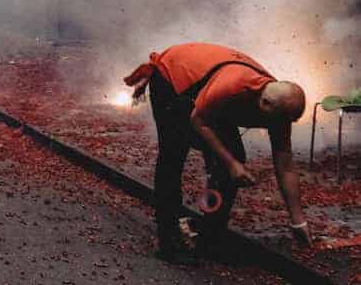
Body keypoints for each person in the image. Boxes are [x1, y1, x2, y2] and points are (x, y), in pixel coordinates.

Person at [123, 43, 310, 263]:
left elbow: (285, 163)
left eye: (286, 122)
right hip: (172, 78)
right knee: (173, 153)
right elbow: (198, 120)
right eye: (278, 121)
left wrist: (298, 221)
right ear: (264, 103)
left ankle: (210, 236)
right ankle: (168, 239)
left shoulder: (280, 108)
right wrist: (230, 164)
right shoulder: (231, 87)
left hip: (207, 96)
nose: (280, 126)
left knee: (233, 160)